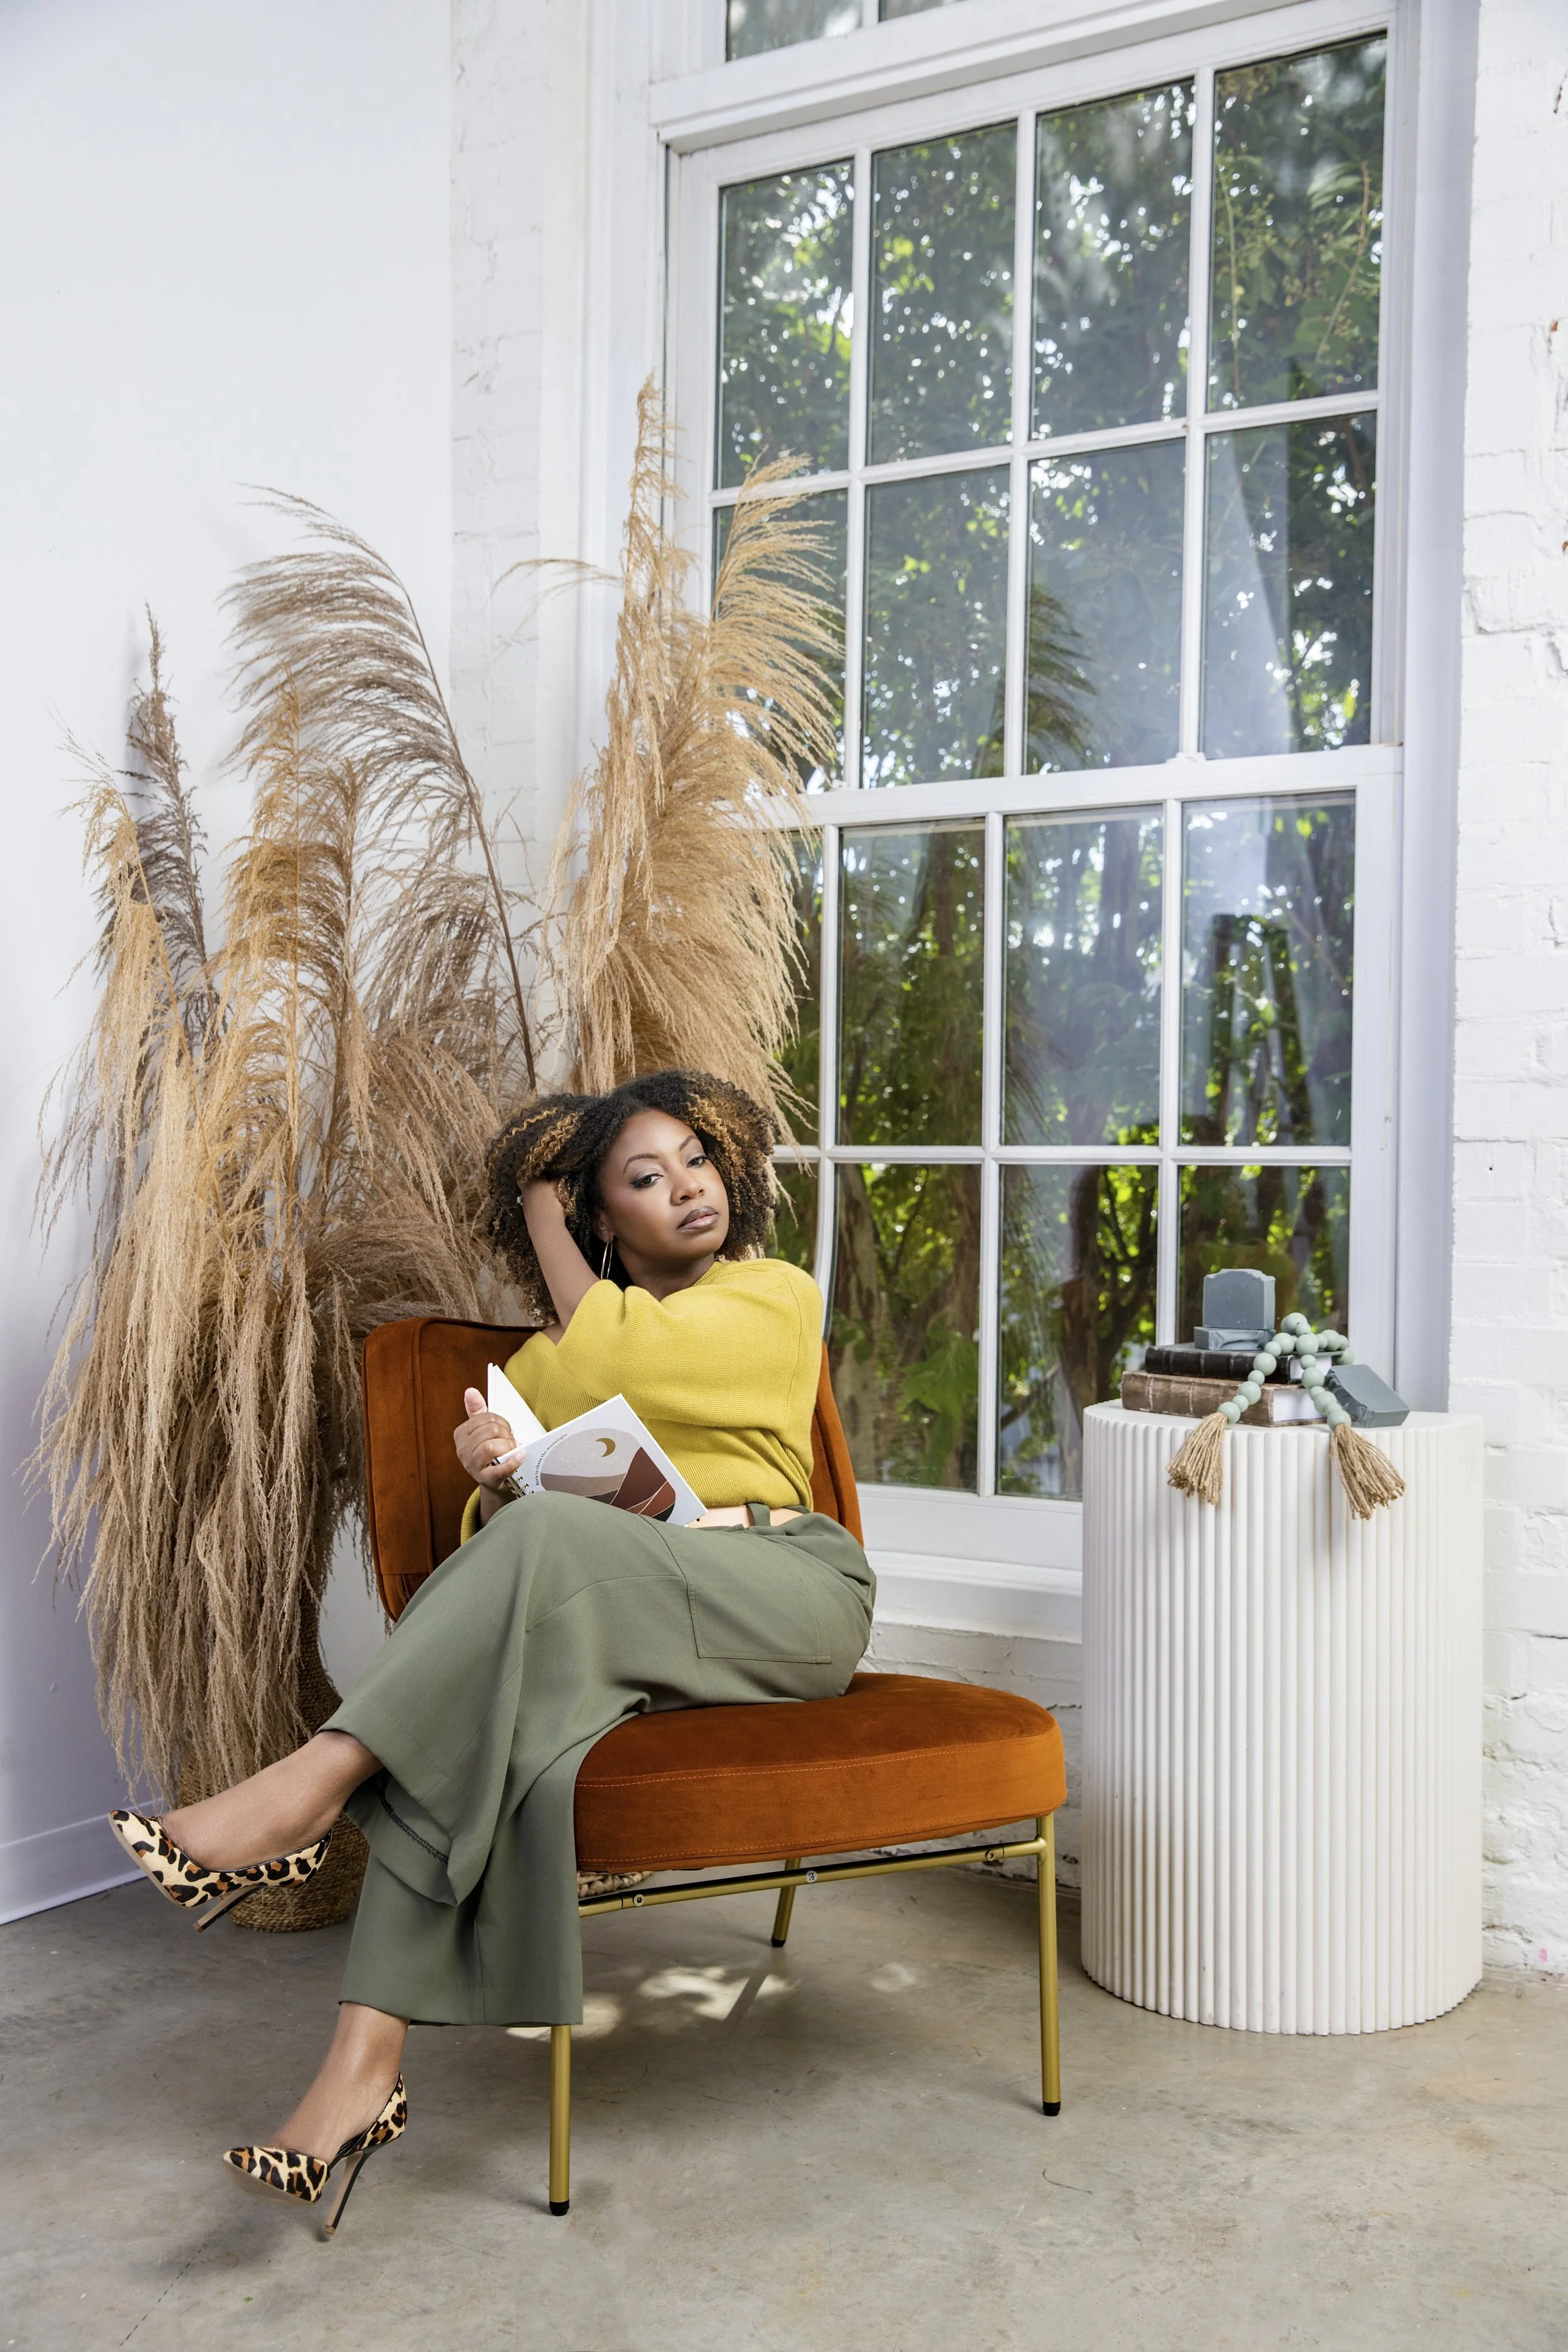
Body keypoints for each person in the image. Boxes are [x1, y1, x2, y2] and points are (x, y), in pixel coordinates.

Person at [108, 1070, 874, 2230]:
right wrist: (496, 1475)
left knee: (551, 1547)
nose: (689, 1187)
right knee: (508, 1738)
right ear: (611, 1224)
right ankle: (355, 2082)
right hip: (645, 1624)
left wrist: (536, 1209)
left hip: (787, 1589)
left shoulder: (773, 1293)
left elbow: (633, 1358)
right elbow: (522, 1521)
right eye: (645, 1179)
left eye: (696, 1161)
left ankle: (303, 1792)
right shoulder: (560, 1358)